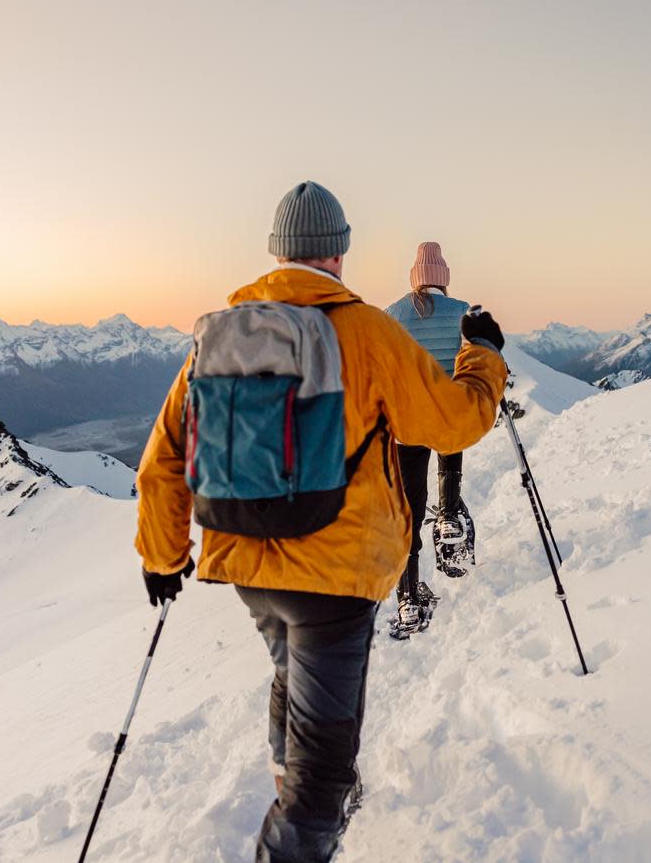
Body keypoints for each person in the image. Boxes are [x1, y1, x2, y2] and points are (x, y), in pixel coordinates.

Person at [134, 181, 507, 862]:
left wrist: (162, 558)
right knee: (323, 779)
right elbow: (453, 420)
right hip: (336, 575)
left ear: (277, 253)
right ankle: (310, 804)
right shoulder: (363, 331)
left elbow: (161, 461)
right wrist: (483, 357)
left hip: (245, 560)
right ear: (337, 253)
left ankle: (293, 771)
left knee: (289, 669)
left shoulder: (220, 335)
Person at [383, 243, 477, 638]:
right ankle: (451, 521)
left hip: (407, 425)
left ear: (415, 278)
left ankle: (408, 600)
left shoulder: (392, 316)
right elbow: (476, 361)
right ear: (443, 278)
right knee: (448, 474)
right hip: (448, 417)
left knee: (409, 508)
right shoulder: (463, 313)